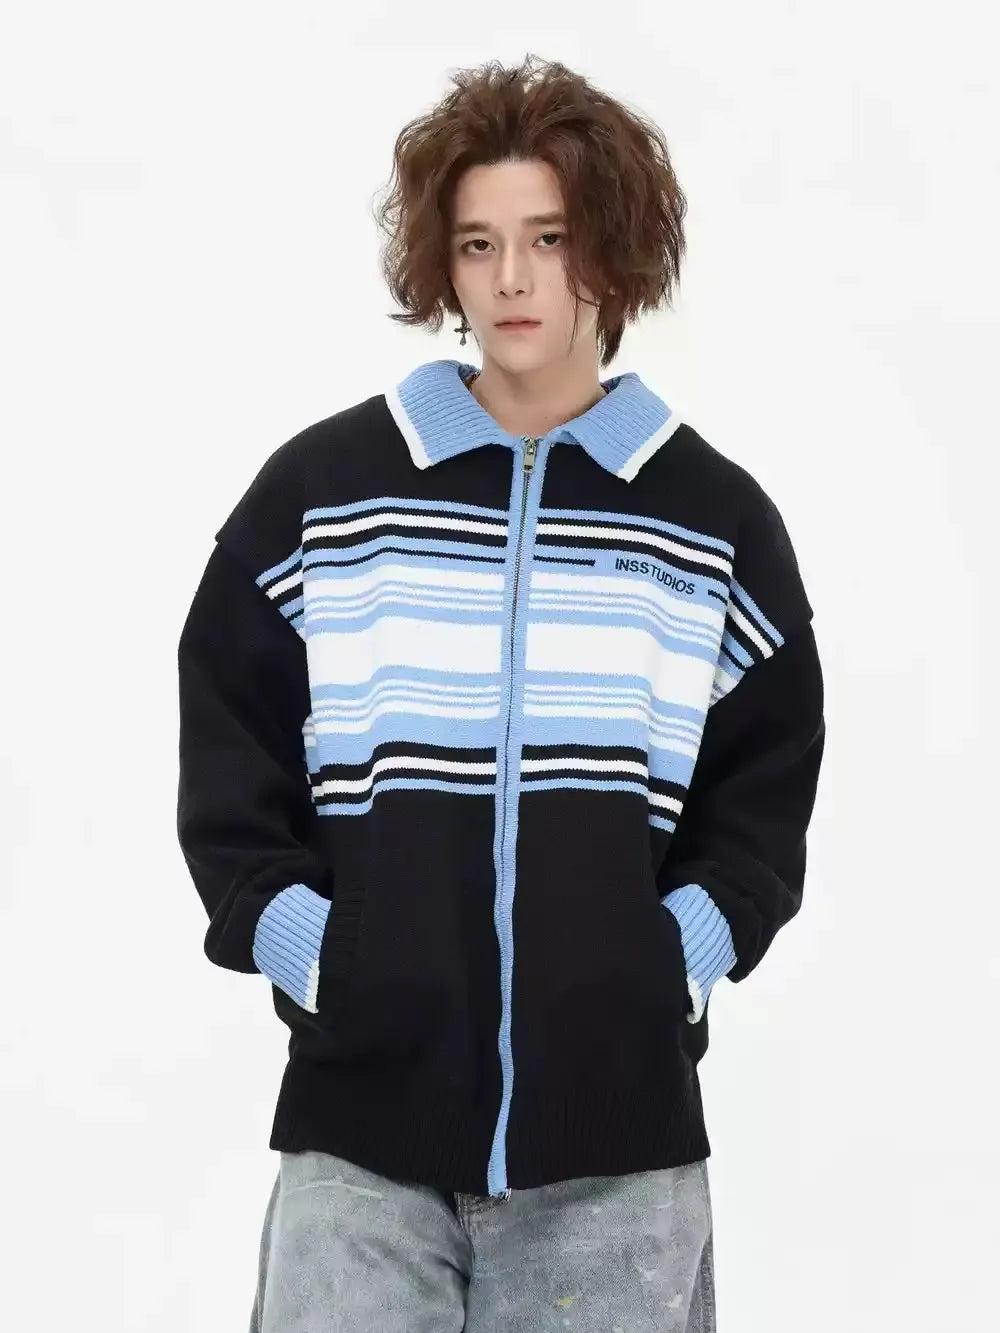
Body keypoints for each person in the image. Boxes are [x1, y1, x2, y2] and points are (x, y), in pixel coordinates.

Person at [176, 53, 826, 1332]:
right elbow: (227, 737)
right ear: (444, 262)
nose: (512, 279)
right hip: (360, 1137)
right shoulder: (329, 493)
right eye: (479, 243)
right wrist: (310, 945)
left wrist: (669, 960)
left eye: (550, 238)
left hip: (617, 1155)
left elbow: (762, 796)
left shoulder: (711, 521)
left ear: (615, 254)